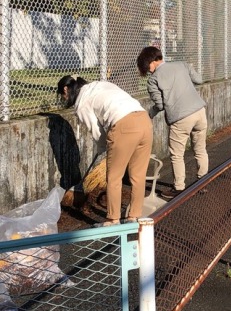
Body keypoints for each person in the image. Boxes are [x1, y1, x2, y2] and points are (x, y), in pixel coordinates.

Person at [57, 75, 153, 226]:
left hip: (124, 125)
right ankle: (133, 217)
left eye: (63, 96)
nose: (64, 99)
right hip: (144, 120)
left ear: (65, 89)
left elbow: (97, 131)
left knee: (114, 177)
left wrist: (103, 148)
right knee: (138, 176)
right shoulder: (100, 85)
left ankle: (113, 220)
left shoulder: (81, 103)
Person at [137, 46, 209, 200]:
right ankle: (202, 182)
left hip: (180, 117)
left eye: (146, 67)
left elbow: (161, 105)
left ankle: (179, 188)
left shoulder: (153, 80)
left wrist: (150, 113)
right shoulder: (182, 65)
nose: (148, 71)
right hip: (199, 111)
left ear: (152, 62)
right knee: (200, 149)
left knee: (177, 155)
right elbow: (199, 80)